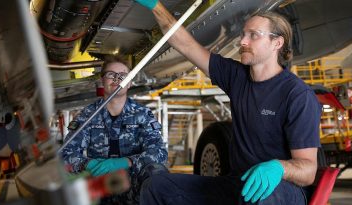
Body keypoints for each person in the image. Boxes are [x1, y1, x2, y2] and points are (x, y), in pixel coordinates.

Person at [135, 0, 322, 204]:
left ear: (277, 43)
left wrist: (279, 167)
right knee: (157, 187)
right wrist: (155, 6)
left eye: (253, 35)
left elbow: (308, 170)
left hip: (281, 190)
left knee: (260, 198)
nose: (242, 41)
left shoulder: (297, 95)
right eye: (243, 34)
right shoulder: (236, 76)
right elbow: (186, 45)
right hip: (237, 183)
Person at [60, 55, 168, 205]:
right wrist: (87, 164)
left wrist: (126, 162)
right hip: (98, 186)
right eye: (111, 74)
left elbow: (159, 153)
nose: (117, 79)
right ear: (102, 80)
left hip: (133, 189)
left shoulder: (142, 115)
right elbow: (65, 154)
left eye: (123, 76)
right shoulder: (87, 115)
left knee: (157, 172)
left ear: (129, 83)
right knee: (62, 175)